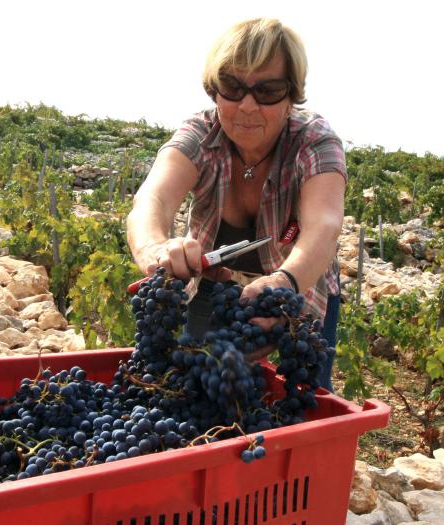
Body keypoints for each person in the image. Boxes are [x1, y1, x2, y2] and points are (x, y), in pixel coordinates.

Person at [126, 18, 347, 391]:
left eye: (268, 90)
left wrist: (285, 284)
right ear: (214, 90)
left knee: (301, 394)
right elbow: (154, 198)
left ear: (292, 94)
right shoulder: (200, 133)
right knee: (196, 385)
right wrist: (154, 248)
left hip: (300, 288)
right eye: (232, 87)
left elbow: (323, 226)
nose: (247, 105)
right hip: (215, 289)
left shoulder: (313, 141)